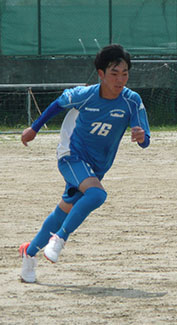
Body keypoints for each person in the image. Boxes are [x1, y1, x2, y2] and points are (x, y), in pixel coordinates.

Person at [19, 44, 151, 283]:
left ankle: (28, 254)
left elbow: (145, 141)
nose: (120, 79)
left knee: (63, 211)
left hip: (97, 167)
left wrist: (141, 137)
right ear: (100, 74)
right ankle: (59, 239)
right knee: (97, 195)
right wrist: (34, 129)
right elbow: (58, 103)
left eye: (124, 73)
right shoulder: (85, 94)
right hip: (71, 156)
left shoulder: (131, 101)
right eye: (114, 73)